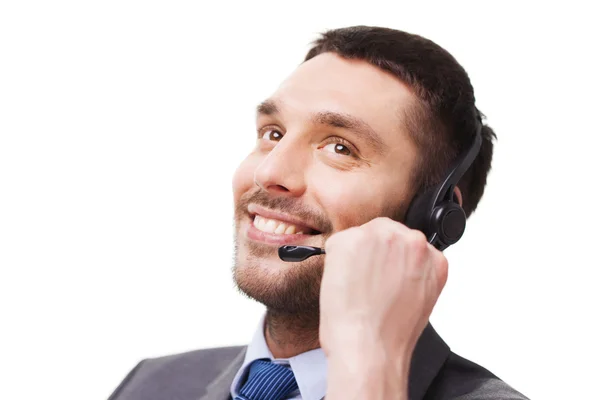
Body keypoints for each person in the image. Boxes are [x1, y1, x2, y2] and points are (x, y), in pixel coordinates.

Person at [109, 25, 528, 400]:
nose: (270, 172)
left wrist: (370, 367)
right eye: (273, 134)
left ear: (432, 216)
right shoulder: (149, 385)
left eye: (340, 147)